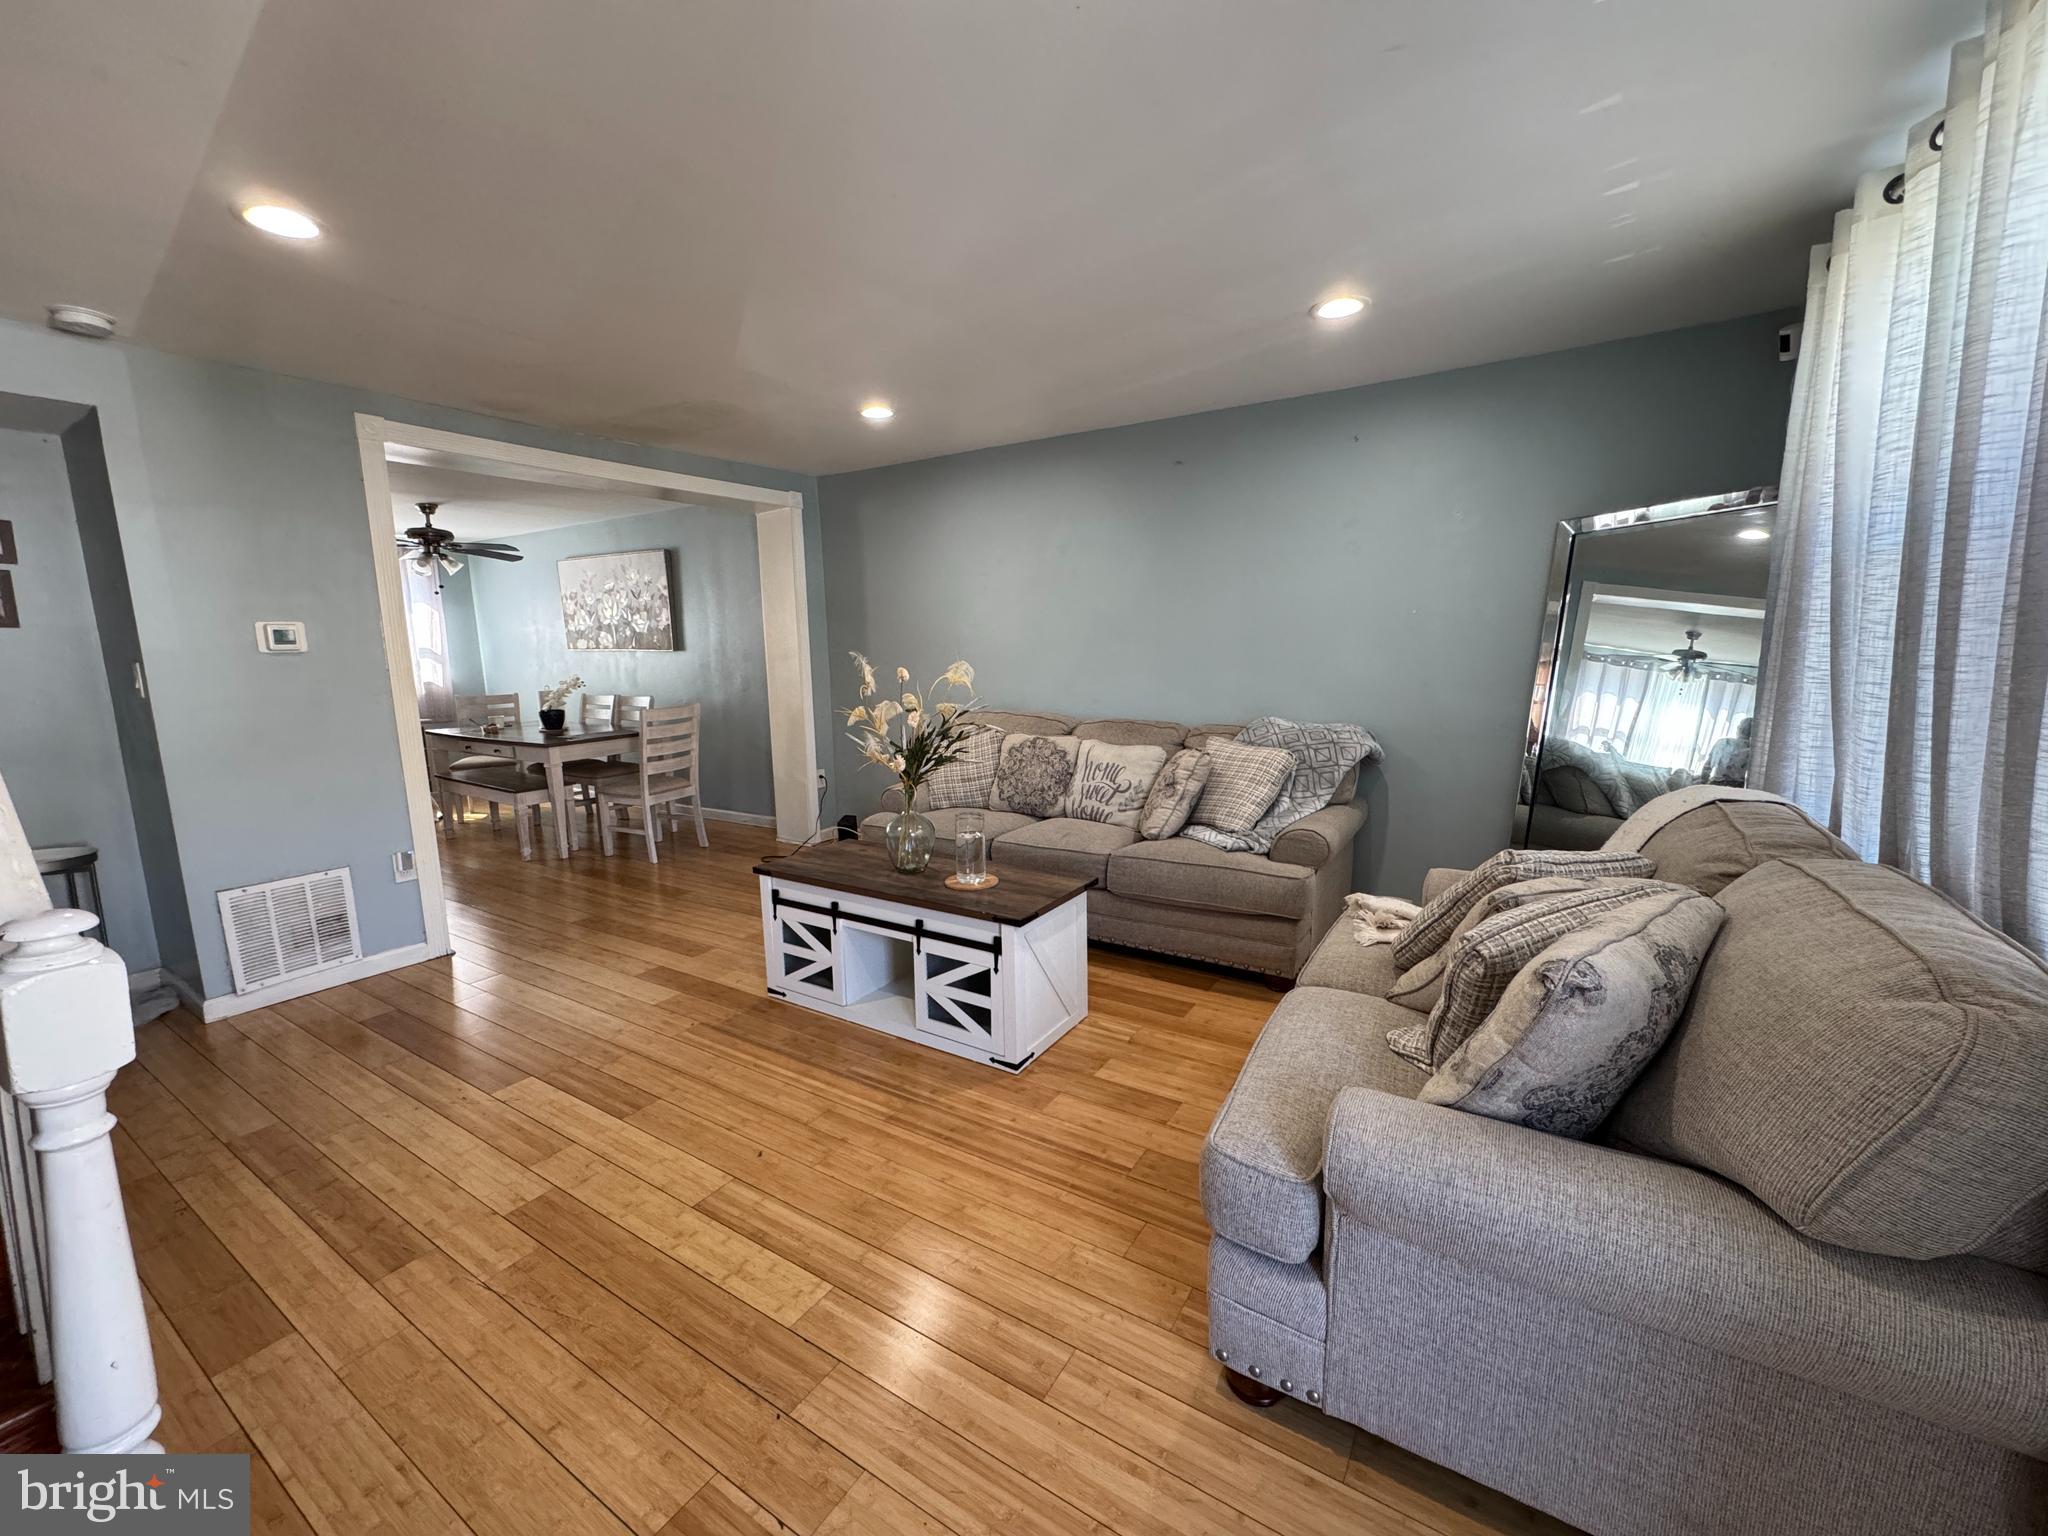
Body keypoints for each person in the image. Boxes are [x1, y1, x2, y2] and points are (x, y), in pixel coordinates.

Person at [1703, 717, 1754, 787]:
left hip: (1714, 784)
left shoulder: (1722, 742)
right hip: (1736, 788)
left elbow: (1706, 768)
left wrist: (1703, 785)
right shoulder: (1752, 752)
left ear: (1739, 729)